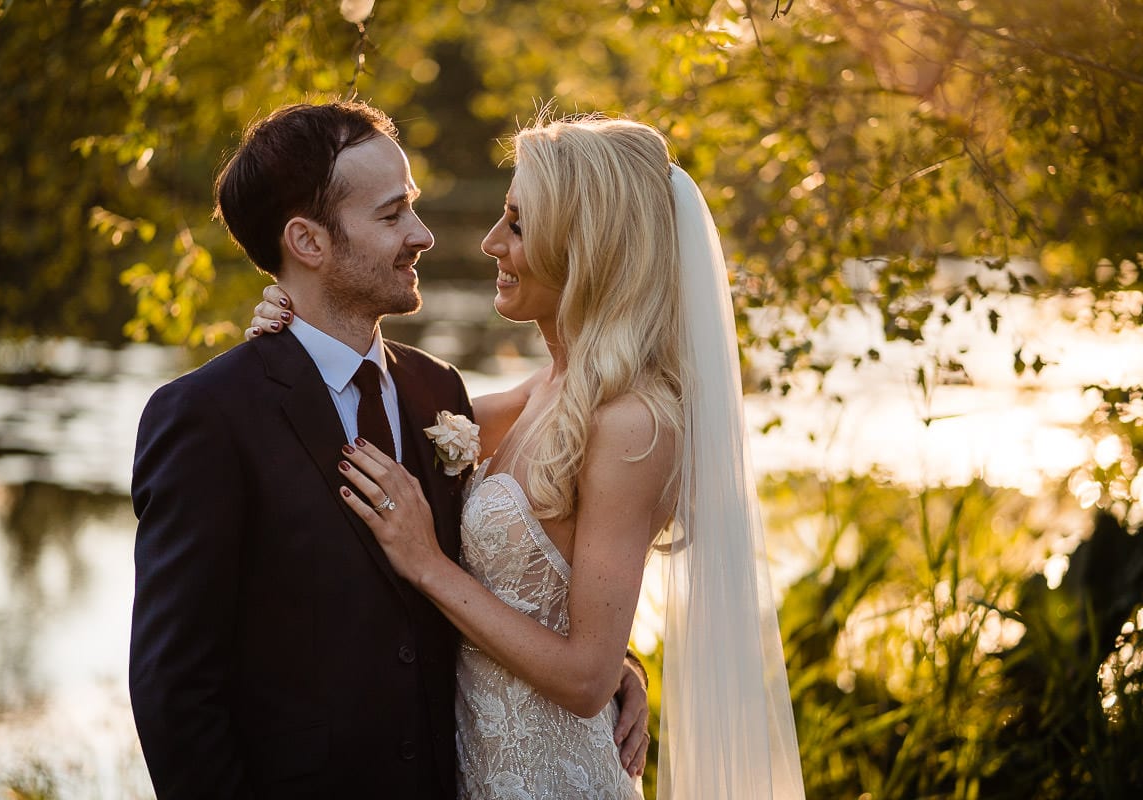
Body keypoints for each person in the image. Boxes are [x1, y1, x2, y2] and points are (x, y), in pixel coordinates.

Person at [251, 115, 806, 798]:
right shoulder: (538, 394)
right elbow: (357, 439)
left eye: (516, 224)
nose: (491, 243)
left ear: (585, 246)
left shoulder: (633, 423)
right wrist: (297, 327)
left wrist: (428, 565)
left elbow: (584, 679)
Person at [129, 101, 648, 800]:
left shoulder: (441, 393)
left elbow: (514, 560)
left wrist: (614, 663)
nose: (424, 235)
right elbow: (175, 690)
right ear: (308, 243)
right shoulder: (209, 417)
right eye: (392, 214)